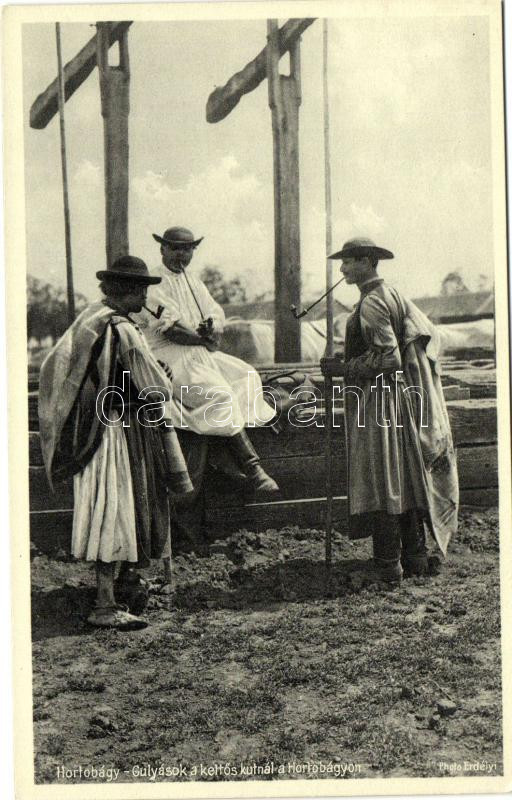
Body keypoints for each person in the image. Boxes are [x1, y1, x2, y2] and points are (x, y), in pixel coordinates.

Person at [39, 256, 193, 629]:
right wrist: (164, 375)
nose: (145, 298)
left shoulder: (90, 320)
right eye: (141, 290)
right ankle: (104, 606)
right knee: (116, 508)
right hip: (115, 434)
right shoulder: (123, 329)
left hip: (93, 428)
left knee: (110, 507)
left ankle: (122, 586)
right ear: (128, 291)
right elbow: (156, 388)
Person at [321, 238, 458, 585]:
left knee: (381, 480)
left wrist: (343, 369)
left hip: (380, 401)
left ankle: (387, 565)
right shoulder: (392, 293)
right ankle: (415, 558)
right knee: (402, 477)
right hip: (398, 400)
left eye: (349, 261)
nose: (343, 268)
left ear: (368, 261)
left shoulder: (372, 303)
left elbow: (390, 359)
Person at [135, 226, 279, 495]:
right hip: (169, 356)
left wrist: (212, 327)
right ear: (162, 249)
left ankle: (223, 452)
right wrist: (204, 339)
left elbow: (215, 312)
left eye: (187, 249)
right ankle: (253, 468)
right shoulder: (153, 283)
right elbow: (172, 330)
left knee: (246, 376)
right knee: (220, 395)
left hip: (198, 352)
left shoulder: (194, 281)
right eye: (175, 248)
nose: (181, 255)